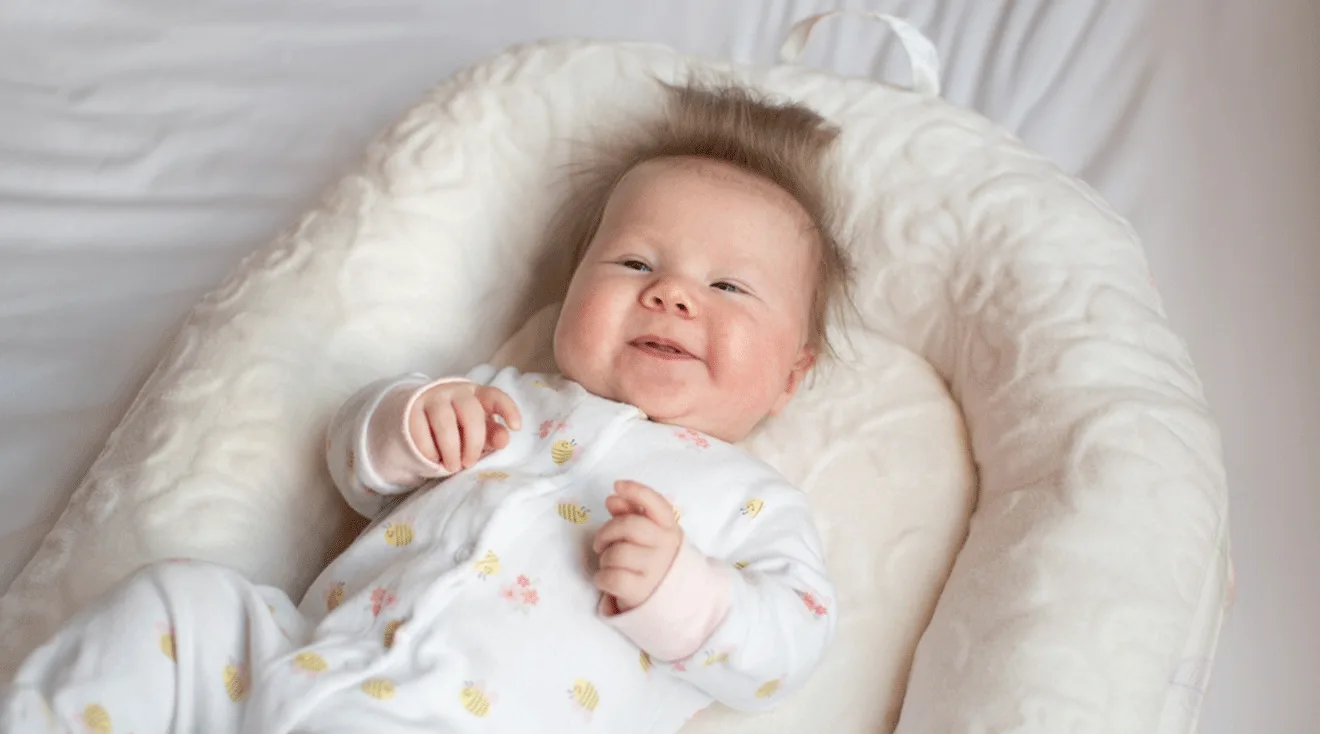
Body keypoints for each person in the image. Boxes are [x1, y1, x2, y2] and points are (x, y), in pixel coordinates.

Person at [2, 79, 855, 734]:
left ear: (791, 375)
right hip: (294, 662)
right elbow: (355, 467)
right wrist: (403, 427)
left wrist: (683, 591)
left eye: (728, 286)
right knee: (183, 604)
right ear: (567, 300)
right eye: (634, 264)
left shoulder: (749, 503)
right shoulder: (504, 398)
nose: (671, 294)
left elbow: (790, 643)